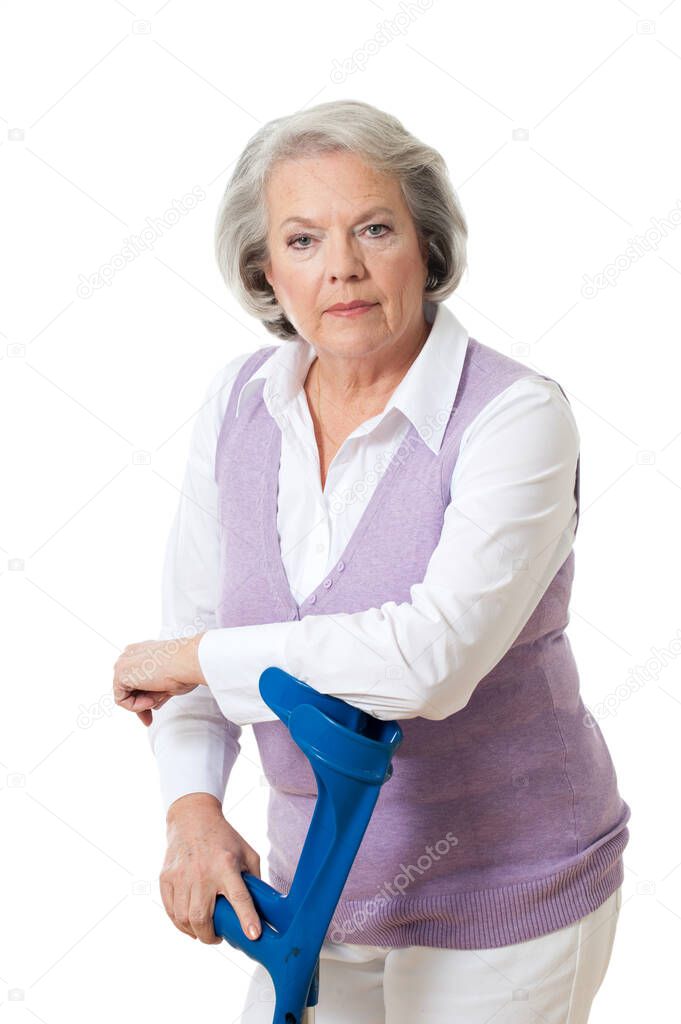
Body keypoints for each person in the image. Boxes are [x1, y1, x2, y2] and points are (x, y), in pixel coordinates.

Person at [113, 99, 631, 1022]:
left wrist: (199, 659)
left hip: (505, 900)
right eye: (303, 239)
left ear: (427, 249)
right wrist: (191, 809)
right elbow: (186, 632)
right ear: (264, 269)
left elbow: (428, 662)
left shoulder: (515, 418)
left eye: (374, 229)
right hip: (318, 893)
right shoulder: (239, 403)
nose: (342, 267)